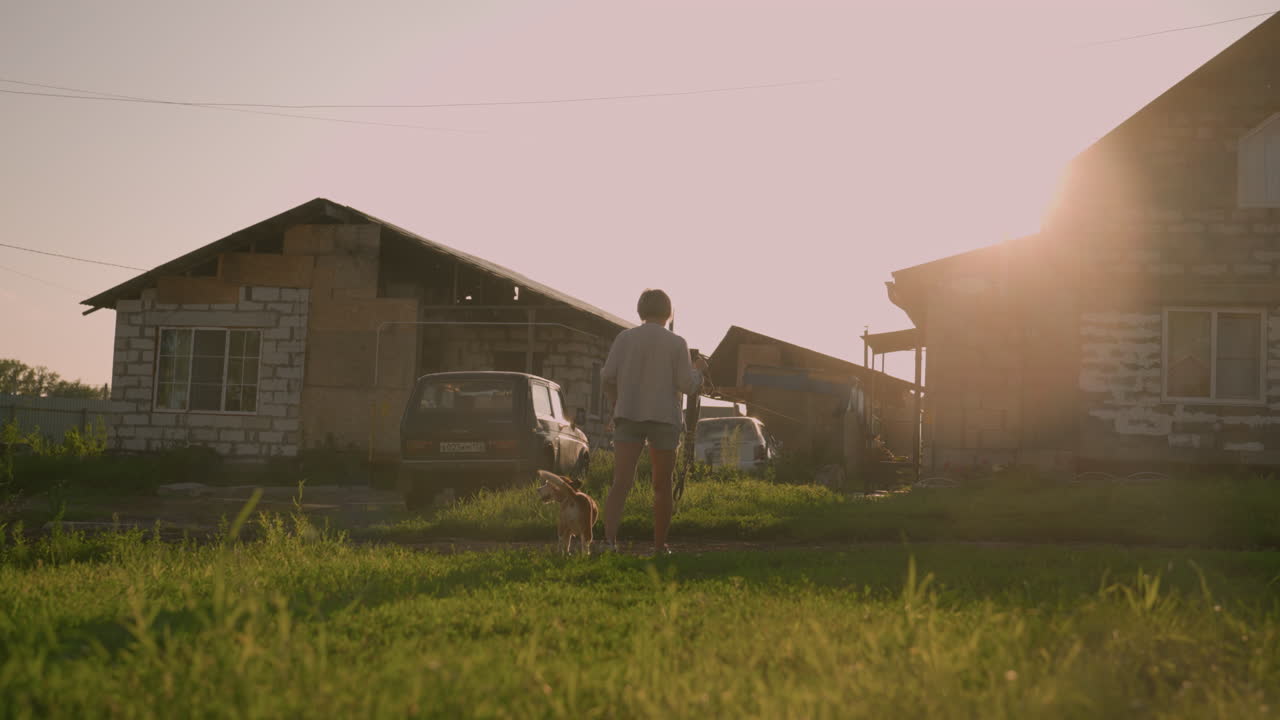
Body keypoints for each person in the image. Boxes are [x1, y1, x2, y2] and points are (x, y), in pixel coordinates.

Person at [600, 288, 708, 555]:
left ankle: (608, 542)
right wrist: (699, 371)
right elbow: (686, 384)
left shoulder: (624, 338)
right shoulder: (676, 342)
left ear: (640, 310)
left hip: (628, 415)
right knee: (662, 484)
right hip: (663, 418)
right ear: (668, 312)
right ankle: (659, 546)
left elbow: (606, 377)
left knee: (621, 482)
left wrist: (616, 404)